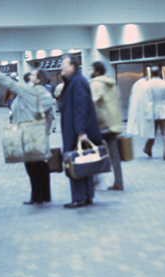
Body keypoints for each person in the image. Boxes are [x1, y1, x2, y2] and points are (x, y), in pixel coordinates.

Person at [0, 67, 55, 205]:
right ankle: (45, 195)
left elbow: (9, 82)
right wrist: (45, 131)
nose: (30, 75)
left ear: (38, 79)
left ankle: (36, 197)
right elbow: (50, 115)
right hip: (39, 132)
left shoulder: (29, 90)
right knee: (41, 163)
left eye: (33, 74)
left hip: (28, 132)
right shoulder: (45, 93)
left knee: (31, 164)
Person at [60, 55, 103, 208]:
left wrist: (81, 131)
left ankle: (79, 198)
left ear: (72, 66)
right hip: (76, 129)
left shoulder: (76, 81)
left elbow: (80, 108)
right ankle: (87, 196)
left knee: (76, 161)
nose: (61, 67)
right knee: (85, 161)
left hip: (75, 130)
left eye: (63, 64)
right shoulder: (74, 80)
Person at [90, 61, 124, 191]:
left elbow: (91, 103)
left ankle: (94, 179)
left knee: (94, 151)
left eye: (91, 69)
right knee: (114, 155)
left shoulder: (96, 84)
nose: (89, 72)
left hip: (101, 124)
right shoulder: (112, 84)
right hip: (113, 124)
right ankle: (119, 182)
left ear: (97, 71)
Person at [143, 66, 165, 160]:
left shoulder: (147, 85)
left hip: (152, 111)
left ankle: (147, 148)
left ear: (151, 74)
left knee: (151, 133)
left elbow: (145, 99)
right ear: (159, 73)